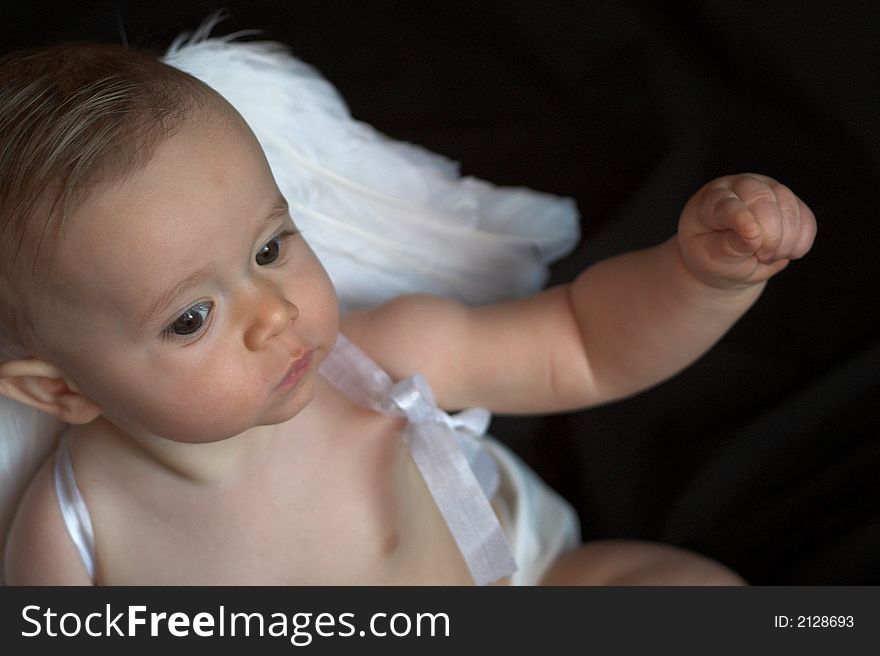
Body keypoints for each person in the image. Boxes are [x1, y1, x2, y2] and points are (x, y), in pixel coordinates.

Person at [0, 39, 815, 586]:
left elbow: (583, 343)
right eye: (190, 318)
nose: (276, 314)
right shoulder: (74, 538)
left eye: (270, 247)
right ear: (59, 390)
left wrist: (701, 276)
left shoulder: (375, 362)